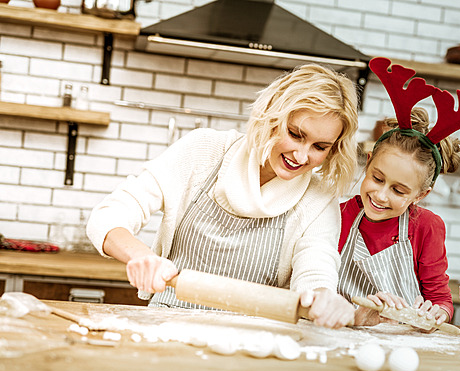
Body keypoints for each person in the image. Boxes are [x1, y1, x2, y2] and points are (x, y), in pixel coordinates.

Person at [86, 64, 359, 329]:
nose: (301, 156)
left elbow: (315, 266)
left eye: (319, 147)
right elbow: (110, 215)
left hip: (255, 342)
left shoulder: (318, 198)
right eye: (295, 134)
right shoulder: (205, 151)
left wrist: (323, 296)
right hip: (167, 327)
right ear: (273, 115)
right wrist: (142, 256)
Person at [338, 57, 460, 331]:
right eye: (377, 178)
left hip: (406, 344)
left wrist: (437, 313)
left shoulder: (426, 227)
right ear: (368, 161)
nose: (381, 195)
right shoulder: (339, 216)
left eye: (398, 190)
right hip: (344, 334)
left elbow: (442, 301)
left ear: (421, 194)